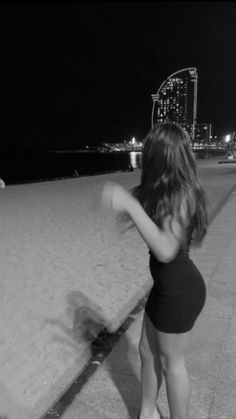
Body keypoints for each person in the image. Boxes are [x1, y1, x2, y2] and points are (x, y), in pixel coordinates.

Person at [100, 122, 208, 419]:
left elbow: (165, 249)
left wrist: (130, 206)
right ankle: (147, 413)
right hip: (164, 288)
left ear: (160, 155)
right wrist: (131, 202)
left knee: (172, 364)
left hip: (179, 291)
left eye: (149, 150)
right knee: (147, 353)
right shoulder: (169, 188)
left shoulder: (181, 194)